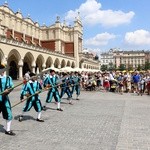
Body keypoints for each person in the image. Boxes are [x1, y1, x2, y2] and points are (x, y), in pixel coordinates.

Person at [0, 64, 15, 135]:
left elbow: (11, 86)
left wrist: (8, 90)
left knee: (9, 114)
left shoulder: (8, 78)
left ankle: (8, 130)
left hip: (5, 99)